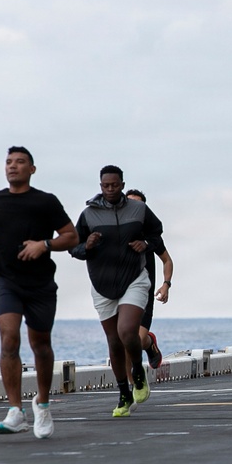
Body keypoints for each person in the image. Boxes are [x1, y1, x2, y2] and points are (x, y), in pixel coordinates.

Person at [0, 146, 78, 438]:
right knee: (9, 338)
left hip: (40, 285)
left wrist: (44, 245)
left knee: (41, 345)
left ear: (31, 169)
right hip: (5, 280)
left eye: (20, 162)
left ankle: (43, 405)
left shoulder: (45, 202)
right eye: (9, 162)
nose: (12, 166)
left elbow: (72, 236)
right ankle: (15, 411)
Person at [71, 165, 163, 417]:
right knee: (113, 340)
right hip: (102, 284)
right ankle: (123, 393)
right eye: (105, 186)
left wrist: (145, 243)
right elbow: (74, 247)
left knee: (126, 331)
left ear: (122, 184)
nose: (110, 189)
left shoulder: (139, 210)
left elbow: (157, 234)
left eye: (114, 185)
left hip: (134, 278)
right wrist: (86, 246)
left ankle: (137, 370)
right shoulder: (89, 214)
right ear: (100, 186)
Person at [124, 189, 173, 372]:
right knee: (125, 340)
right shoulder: (116, 232)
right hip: (120, 294)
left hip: (144, 294)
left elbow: (167, 260)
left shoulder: (150, 236)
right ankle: (149, 344)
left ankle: (148, 343)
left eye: (137, 205)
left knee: (133, 341)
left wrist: (166, 284)